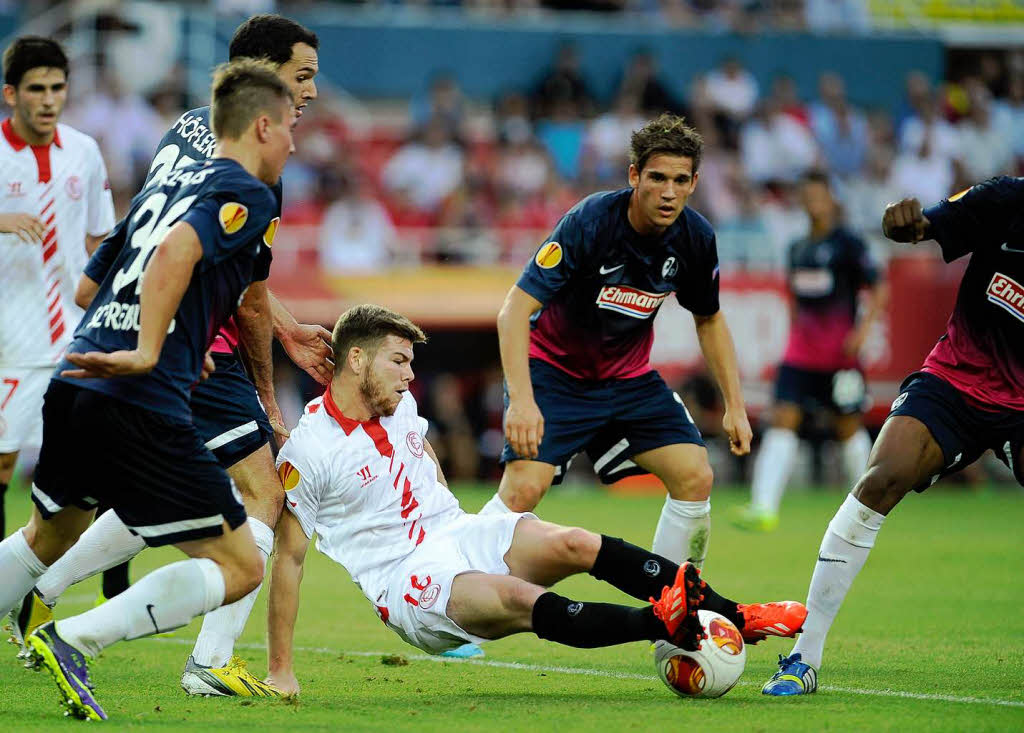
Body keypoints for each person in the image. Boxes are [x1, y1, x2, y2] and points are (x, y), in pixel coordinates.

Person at [6, 14, 329, 699]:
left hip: (102, 344)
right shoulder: (256, 176)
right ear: (265, 91)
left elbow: (118, 253)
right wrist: (246, 378)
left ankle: (44, 593)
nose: (310, 97)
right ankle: (202, 658)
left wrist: (133, 329)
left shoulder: (187, 127)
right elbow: (232, 284)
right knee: (259, 499)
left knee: (62, 524)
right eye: (301, 78)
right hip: (174, 357)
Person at [261, 304, 807, 695]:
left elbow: (420, 453)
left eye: (410, 363)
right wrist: (281, 668)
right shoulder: (311, 452)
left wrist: (456, 521)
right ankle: (664, 623)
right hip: (404, 581)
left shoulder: (399, 403)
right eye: (399, 362)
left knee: (570, 541)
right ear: (355, 360)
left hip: (455, 531)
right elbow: (288, 559)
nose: (410, 376)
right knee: (518, 598)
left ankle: (735, 614)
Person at [762, 177, 1024, 696]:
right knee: (880, 480)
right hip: (955, 378)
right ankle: (802, 657)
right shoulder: (1006, 199)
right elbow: (918, 225)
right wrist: (900, 220)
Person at [480, 114, 755, 579]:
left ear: (694, 183)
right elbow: (514, 310)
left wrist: (734, 405)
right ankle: (450, 598)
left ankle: (674, 613)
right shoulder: (591, 221)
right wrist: (522, 402)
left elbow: (708, 319)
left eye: (681, 180)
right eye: (658, 178)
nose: (669, 191)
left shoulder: (696, 238)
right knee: (523, 491)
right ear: (634, 176)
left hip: (627, 382)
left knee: (695, 476)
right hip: (555, 376)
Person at [0, 37, 115, 535]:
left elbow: (100, 239)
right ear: (11, 94)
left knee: (95, 461)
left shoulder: (85, 152)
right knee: (3, 468)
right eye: (36, 89)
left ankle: (103, 591)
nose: (49, 99)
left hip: (76, 332)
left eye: (57, 87)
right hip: (10, 338)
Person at [734, 171, 887, 532]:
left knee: (849, 428)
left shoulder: (848, 244)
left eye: (819, 195)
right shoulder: (797, 248)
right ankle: (763, 508)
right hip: (800, 357)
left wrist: (861, 332)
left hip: (841, 359)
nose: (813, 202)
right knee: (783, 421)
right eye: (808, 196)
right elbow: (793, 298)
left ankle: (867, 510)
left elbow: (879, 289)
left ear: (831, 199)